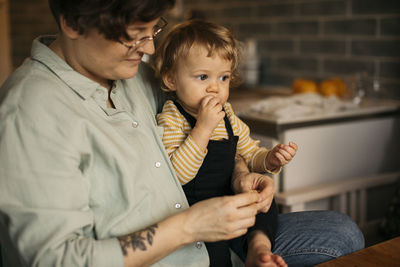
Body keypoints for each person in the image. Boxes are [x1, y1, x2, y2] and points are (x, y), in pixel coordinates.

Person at [0, 1, 364, 267]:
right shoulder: (30, 112)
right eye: (132, 36)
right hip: (168, 253)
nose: (149, 49)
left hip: (210, 234)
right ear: (72, 23)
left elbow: (208, 128)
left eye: (153, 30)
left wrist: (241, 172)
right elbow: (54, 260)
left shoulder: (134, 76)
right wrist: (190, 227)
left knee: (341, 231)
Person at [154, 20, 296, 267]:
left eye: (223, 78)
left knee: (264, 199)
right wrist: (203, 128)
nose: (214, 88)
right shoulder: (172, 117)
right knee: (212, 253)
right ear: (171, 79)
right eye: (202, 77)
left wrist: (269, 159)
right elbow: (177, 174)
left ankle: (258, 248)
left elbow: (249, 152)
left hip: (229, 198)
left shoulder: (227, 114)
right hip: (198, 211)